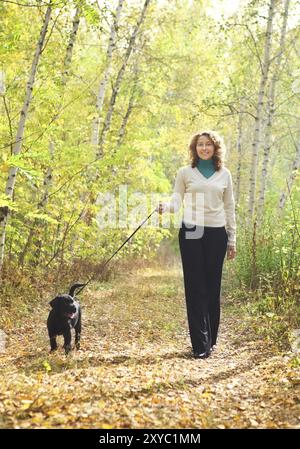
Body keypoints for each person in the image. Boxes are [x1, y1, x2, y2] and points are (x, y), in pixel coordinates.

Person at [156, 130, 236, 359]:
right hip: (192, 230)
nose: (204, 148)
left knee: (212, 287)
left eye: (208, 145)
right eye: (200, 144)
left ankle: (211, 339)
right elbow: (176, 200)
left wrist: (232, 238)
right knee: (195, 287)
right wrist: (165, 206)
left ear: (215, 148)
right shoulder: (185, 173)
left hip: (216, 233)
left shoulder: (224, 174)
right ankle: (200, 344)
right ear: (194, 148)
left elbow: (230, 207)